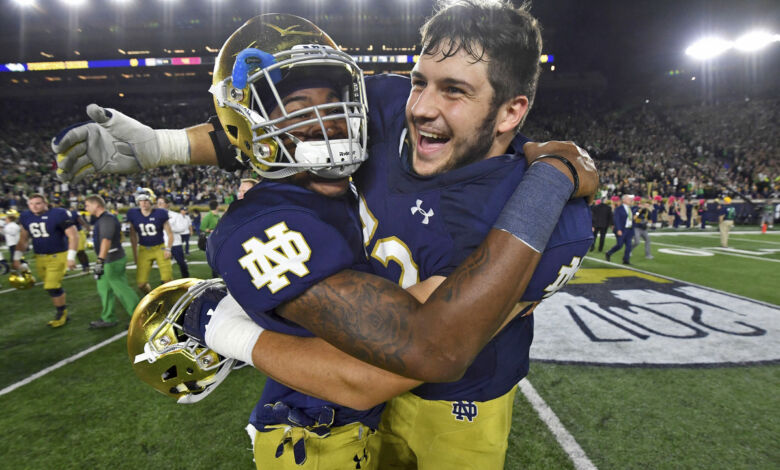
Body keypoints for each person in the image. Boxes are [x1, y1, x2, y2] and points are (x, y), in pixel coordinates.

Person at [51, 5, 597, 468]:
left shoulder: (556, 225)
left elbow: (428, 350)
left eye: (454, 91)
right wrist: (165, 146)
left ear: (511, 112)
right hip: (350, 370)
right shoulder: (383, 107)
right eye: (419, 81)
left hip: (462, 394)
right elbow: (278, 125)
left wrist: (551, 178)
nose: (422, 106)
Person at [14, 194, 78, 327]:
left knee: (51, 285)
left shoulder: (58, 213)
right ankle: (62, 308)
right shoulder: (26, 216)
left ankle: (62, 314)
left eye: (37, 203)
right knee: (51, 287)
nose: (34, 206)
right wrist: (16, 257)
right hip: (39, 256)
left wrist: (70, 257)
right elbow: (23, 238)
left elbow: (73, 235)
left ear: (45, 203)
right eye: (31, 204)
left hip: (58, 255)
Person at [85, 194, 140, 329]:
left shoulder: (107, 219)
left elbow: (106, 241)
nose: (86, 208)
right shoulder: (102, 219)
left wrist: (99, 262)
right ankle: (108, 317)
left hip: (111, 259)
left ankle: (140, 317)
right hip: (107, 260)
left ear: (96, 205)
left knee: (121, 289)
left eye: (87, 205)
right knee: (104, 290)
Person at [126, 188, 174, 293]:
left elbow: (170, 234)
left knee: (167, 280)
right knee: (141, 284)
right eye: (141, 200)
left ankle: (171, 301)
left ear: (151, 200)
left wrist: (168, 249)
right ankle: (151, 297)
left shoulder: (160, 213)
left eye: (146, 200)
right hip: (144, 249)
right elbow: (133, 236)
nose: (143, 203)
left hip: (159, 248)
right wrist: (135, 254)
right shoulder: (133, 214)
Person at [157, 196, 190, 278]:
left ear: (167, 204)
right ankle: (165, 282)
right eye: (158, 203)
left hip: (175, 243)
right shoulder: (155, 216)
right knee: (164, 266)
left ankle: (186, 279)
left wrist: (168, 228)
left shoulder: (175, 215)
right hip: (162, 244)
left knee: (181, 263)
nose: (159, 204)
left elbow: (182, 228)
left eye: (161, 203)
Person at [606, 194, 634, 265]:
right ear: (624, 200)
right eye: (628, 199)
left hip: (629, 230)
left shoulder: (630, 208)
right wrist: (618, 229)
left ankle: (626, 260)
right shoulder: (618, 209)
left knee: (629, 245)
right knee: (619, 245)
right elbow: (616, 220)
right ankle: (609, 253)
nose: (630, 200)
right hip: (621, 229)